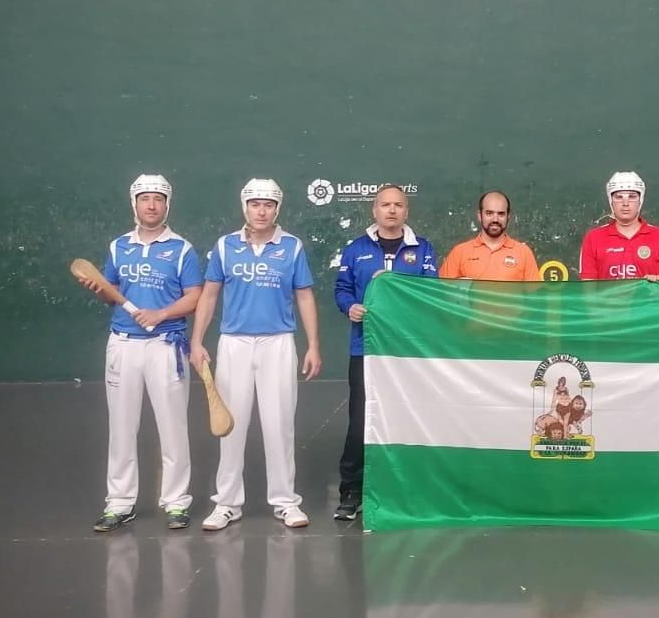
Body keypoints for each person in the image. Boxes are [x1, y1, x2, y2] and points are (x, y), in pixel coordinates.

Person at [190, 179, 321, 531]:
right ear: (244, 207)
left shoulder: (292, 247)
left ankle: (285, 502)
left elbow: (305, 296)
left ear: (277, 209)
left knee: (280, 424)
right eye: (255, 204)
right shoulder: (225, 246)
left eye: (268, 204)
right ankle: (227, 503)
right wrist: (197, 340)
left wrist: (313, 345)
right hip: (234, 344)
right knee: (230, 425)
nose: (261, 210)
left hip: (278, 343)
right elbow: (209, 295)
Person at [83, 174, 202, 533]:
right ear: (134, 204)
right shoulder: (119, 247)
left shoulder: (182, 249)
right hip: (123, 343)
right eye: (145, 198)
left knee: (173, 426)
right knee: (121, 427)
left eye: (158, 199)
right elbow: (111, 291)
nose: (151, 205)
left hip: (167, 345)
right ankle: (119, 503)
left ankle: (177, 502)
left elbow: (195, 295)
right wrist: (99, 290)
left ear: (168, 205)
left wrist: (162, 313)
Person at [332, 184, 438, 521]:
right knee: (361, 421)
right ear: (374, 210)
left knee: (409, 417)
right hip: (365, 349)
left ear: (406, 211)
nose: (391, 210)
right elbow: (342, 289)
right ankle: (351, 491)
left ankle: (406, 489)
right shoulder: (355, 249)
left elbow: (430, 293)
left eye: (398, 205)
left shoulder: (423, 249)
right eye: (384, 205)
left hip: (407, 352)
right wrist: (350, 306)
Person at [578, 171, 659, 281]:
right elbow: (588, 291)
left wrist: (657, 288)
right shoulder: (593, 238)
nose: (625, 203)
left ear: (640, 200)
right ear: (611, 201)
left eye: (632, 196)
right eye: (619, 197)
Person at [439, 190, 541, 280]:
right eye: (489, 213)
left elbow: (534, 297)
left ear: (508, 217)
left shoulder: (524, 253)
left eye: (501, 214)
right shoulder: (459, 252)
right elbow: (440, 292)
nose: (495, 219)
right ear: (480, 216)